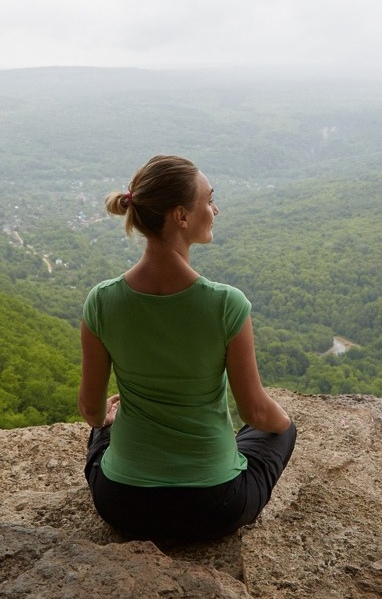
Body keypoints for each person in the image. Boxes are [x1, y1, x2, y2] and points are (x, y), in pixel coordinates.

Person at [78, 154, 296, 541]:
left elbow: (91, 410)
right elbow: (255, 410)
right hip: (214, 507)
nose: (215, 209)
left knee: (103, 432)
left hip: (123, 505)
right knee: (277, 429)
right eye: (209, 200)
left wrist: (105, 423)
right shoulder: (226, 304)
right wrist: (287, 426)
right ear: (181, 216)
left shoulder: (101, 301)